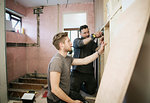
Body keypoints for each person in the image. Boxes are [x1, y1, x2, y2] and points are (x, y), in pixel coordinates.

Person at [47, 32, 106, 103]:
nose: (71, 43)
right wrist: (73, 102)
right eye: (68, 41)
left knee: (83, 100)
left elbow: (84, 61)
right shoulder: (57, 61)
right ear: (61, 45)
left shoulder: (67, 59)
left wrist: (99, 52)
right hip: (56, 100)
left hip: (66, 93)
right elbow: (55, 89)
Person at [70, 25, 103, 95]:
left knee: (92, 91)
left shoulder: (91, 42)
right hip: (77, 71)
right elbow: (81, 43)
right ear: (80, 34)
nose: (87, 34)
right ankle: (78, 86)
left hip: (88, 71)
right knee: (73, 90)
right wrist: (93, 36)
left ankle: (81, 86)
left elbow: (97, 49)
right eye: (84, 33)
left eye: (88, 32)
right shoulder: (76, 41)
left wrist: (101, 44)